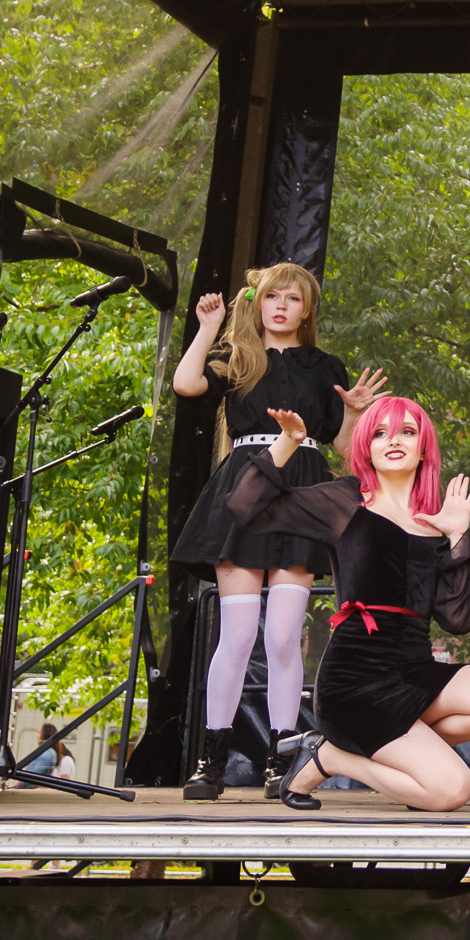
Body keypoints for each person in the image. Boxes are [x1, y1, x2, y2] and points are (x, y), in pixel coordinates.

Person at [234, 396, 470, 813]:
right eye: (381, 433)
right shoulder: (347, 502)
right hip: (356, 682)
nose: (394, 440)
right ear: (367, 447)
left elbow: (459, 620)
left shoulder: (437, 522)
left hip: (414, 674)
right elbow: (245, 506)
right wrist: (288, 442)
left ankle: (383, 756)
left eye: (407, 431)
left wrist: (458, 537)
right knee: (451, 791)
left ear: (423, 448)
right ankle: (330, 757)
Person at [167, 262, 385, 801]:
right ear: (258, 302)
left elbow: (342, 447)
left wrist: (353, 413)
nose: (281, 306)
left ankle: (281, 761)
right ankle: (211, 762)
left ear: (306, 310)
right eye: (272, 297)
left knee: (284, 637)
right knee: (238, 635)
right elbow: (186, 384)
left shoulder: (324, 366)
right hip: (246, 487)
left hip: (301, 494)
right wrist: (207, 328)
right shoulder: (238, 356)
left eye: (292, 298)